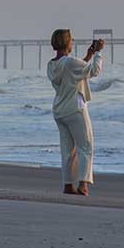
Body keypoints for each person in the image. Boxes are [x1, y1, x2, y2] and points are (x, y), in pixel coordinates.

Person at [47, 29, 104, 196]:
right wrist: (99, 53)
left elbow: (74, 71)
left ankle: (68, 185)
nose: (72, 43)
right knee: (86, 146)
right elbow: (93, 71)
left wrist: (88, 56)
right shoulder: (70, 62)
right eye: (71, 40)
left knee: (67, 149)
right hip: (75, 109)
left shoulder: (51, 65)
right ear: (66, 43)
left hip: (59, 110)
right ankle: (83, 185)